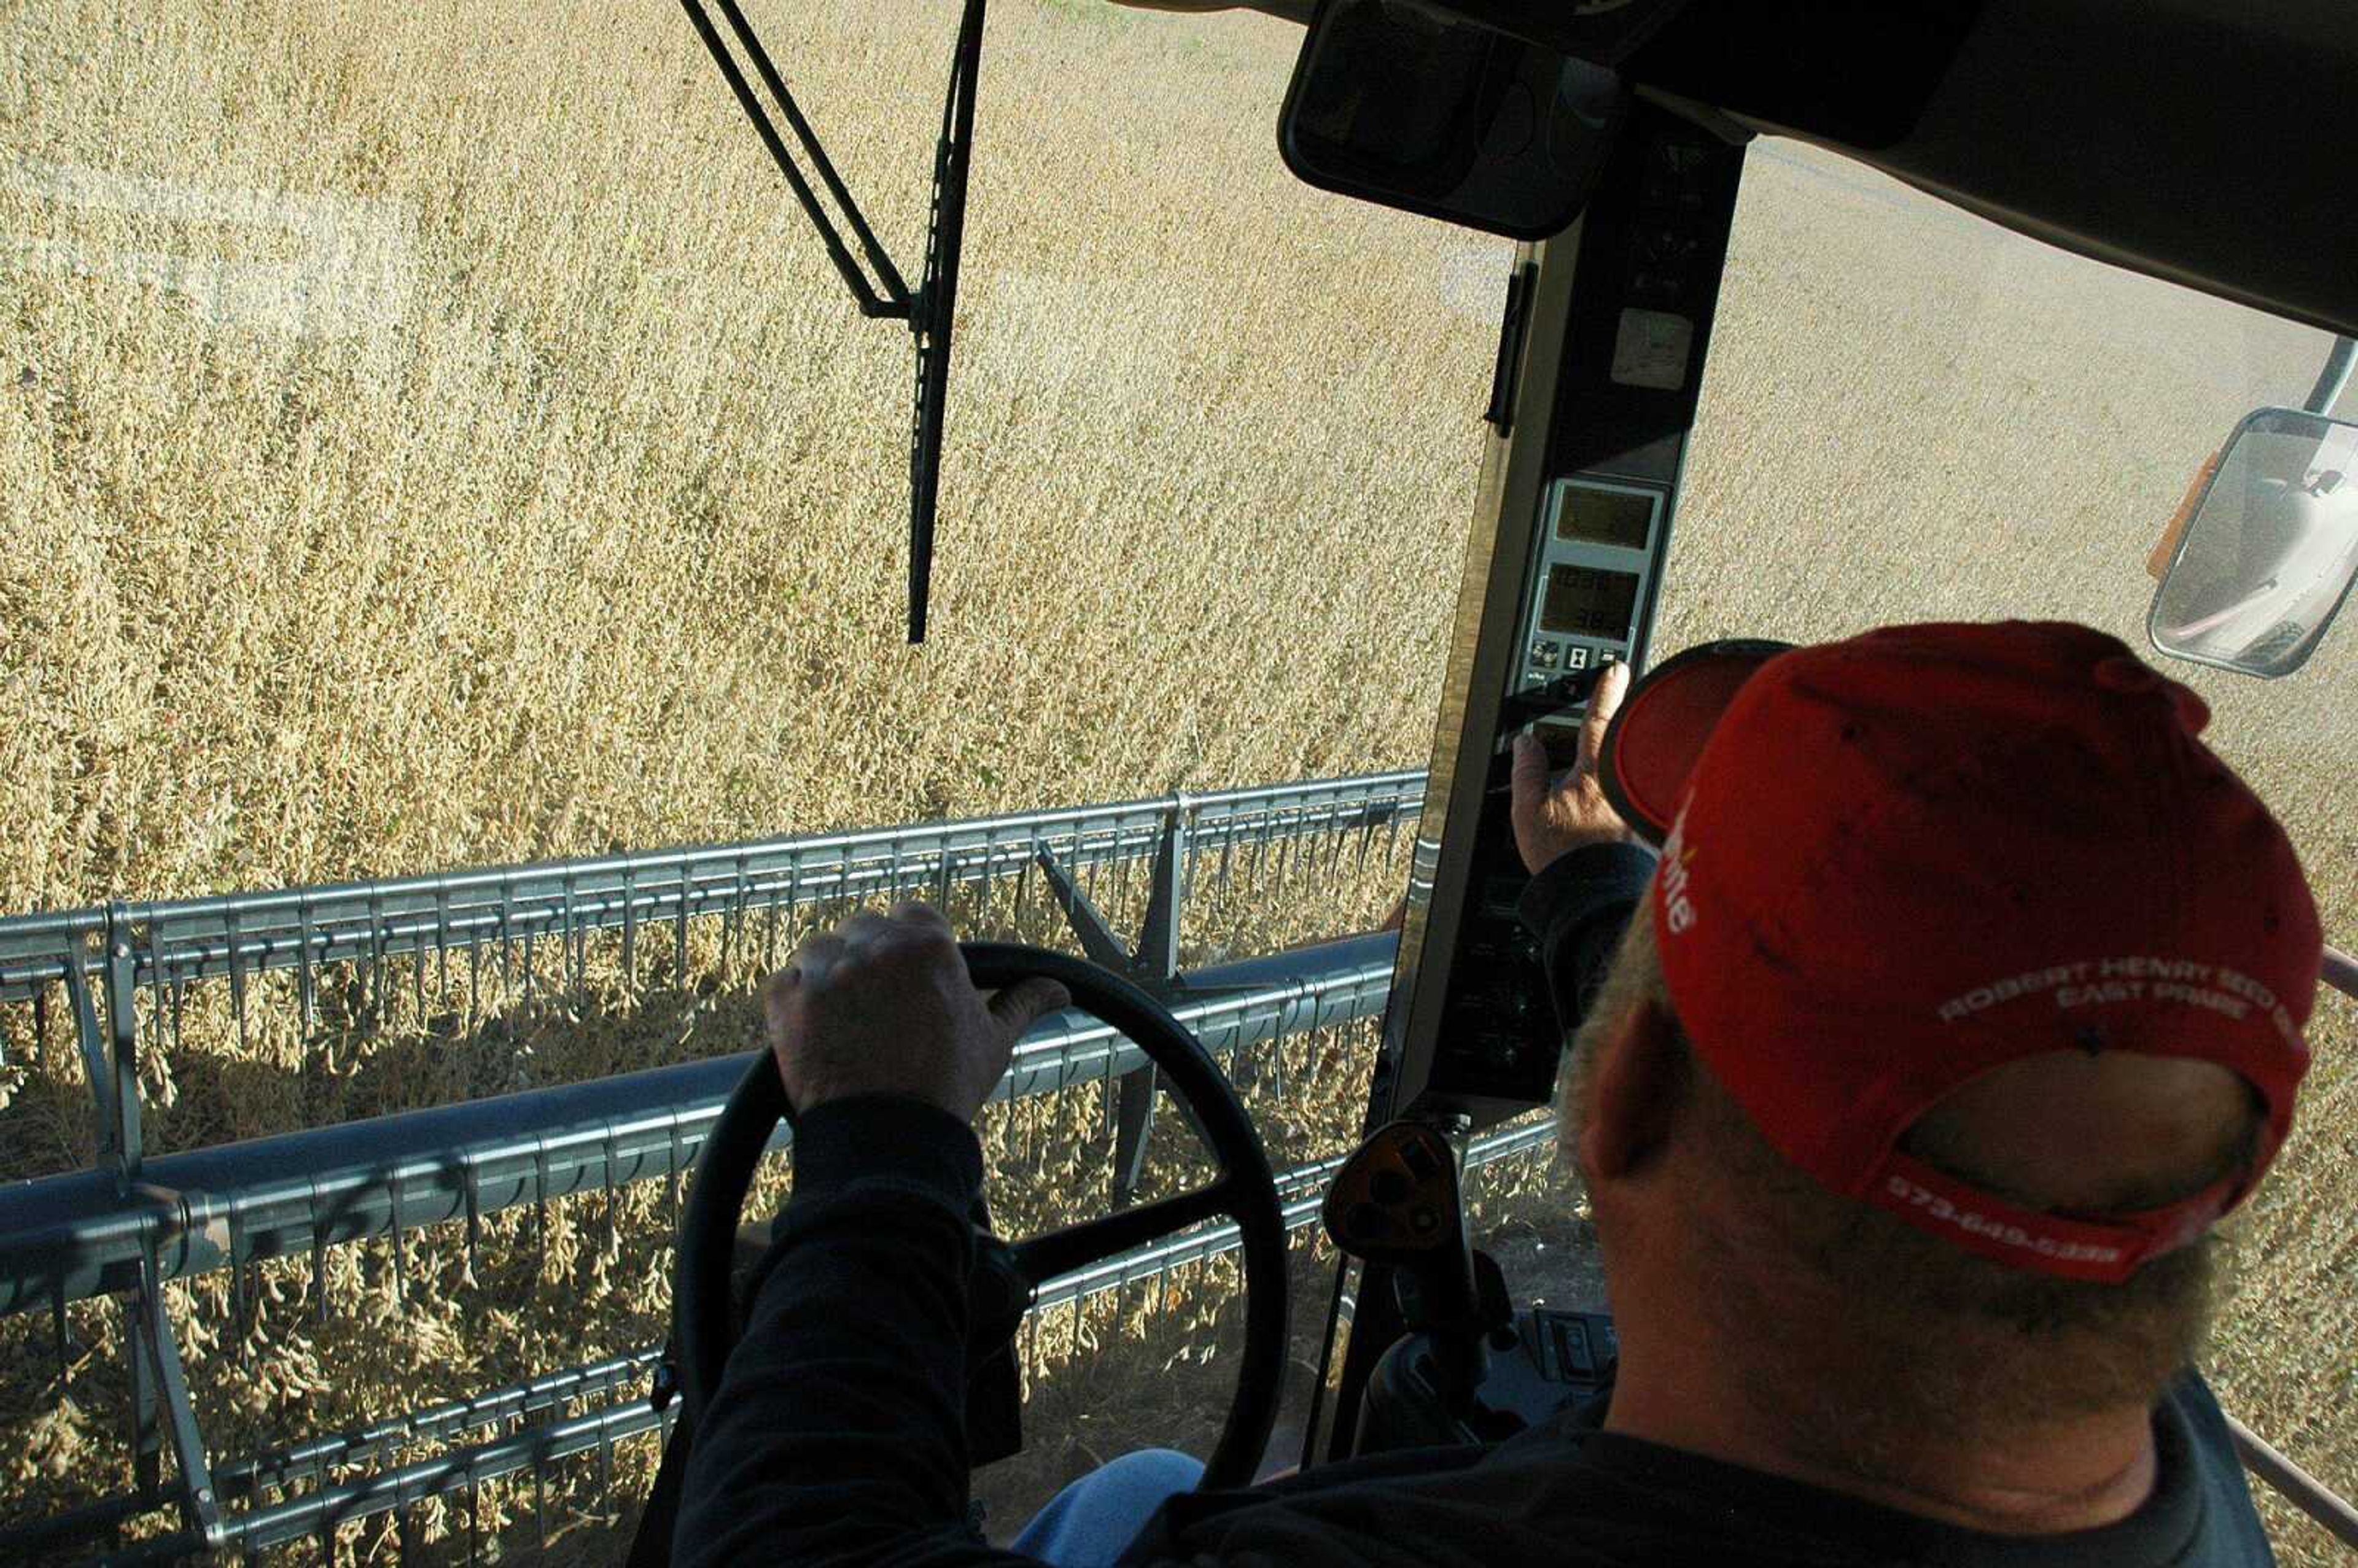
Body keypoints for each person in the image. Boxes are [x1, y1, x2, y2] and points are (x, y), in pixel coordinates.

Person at [675, 620, 2321, 1567]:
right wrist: (1598, 900)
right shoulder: (2180, 1479)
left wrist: (889, 1152)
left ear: (1632, 1097)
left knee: (1134, 1501)